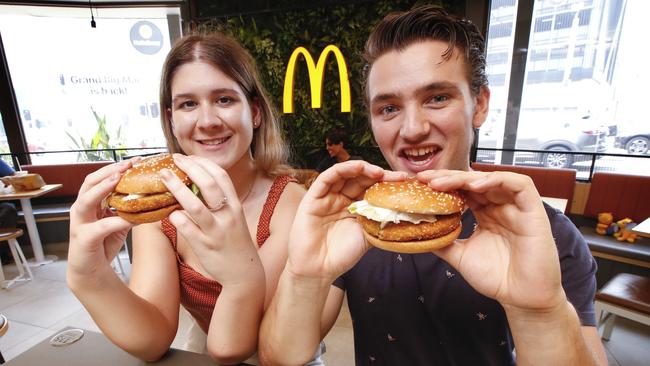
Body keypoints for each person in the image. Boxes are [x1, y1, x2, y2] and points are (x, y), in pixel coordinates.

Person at [260, 6, 607, 366]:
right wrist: (303, 275)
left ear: (480, 104)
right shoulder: (357, 221)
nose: (412, 129)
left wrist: (541, 313)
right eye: (389, 109)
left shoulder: (543, 233)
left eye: (438, 98)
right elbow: (280, 358)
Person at [67, 33, 305, 364]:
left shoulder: (290, 203)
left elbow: (236, 346)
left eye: (224, 99)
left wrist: (239, 276)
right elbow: (152, 339)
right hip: (204, 349)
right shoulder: (160, 205)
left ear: (254, 113)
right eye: (188, 104)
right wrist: (89, 275)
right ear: (171, 120)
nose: (207, 122)